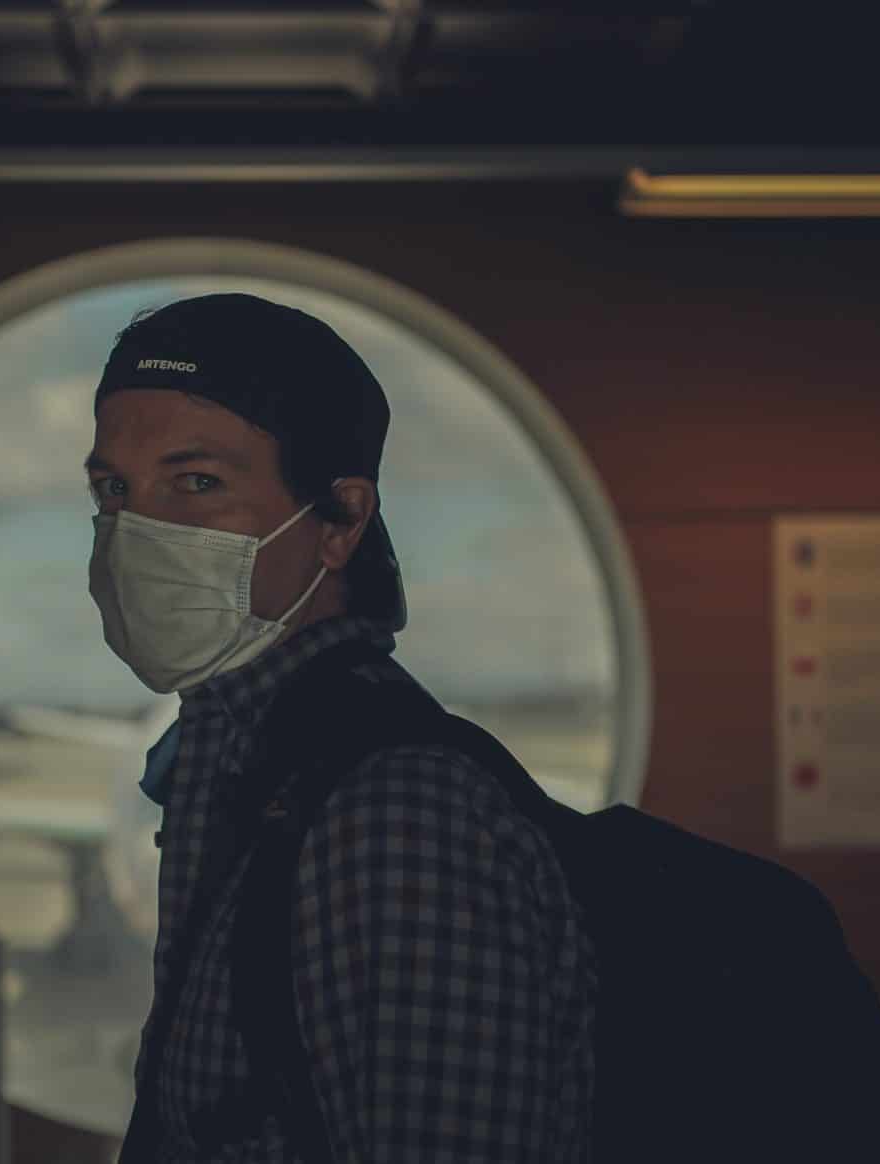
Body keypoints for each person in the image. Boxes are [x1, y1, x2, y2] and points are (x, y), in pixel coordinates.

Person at [86, 293, 596, 1163]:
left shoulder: (396, 815)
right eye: (114, 489)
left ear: (342, 522)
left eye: (198, 482)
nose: (140, 530)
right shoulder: (237, 759)